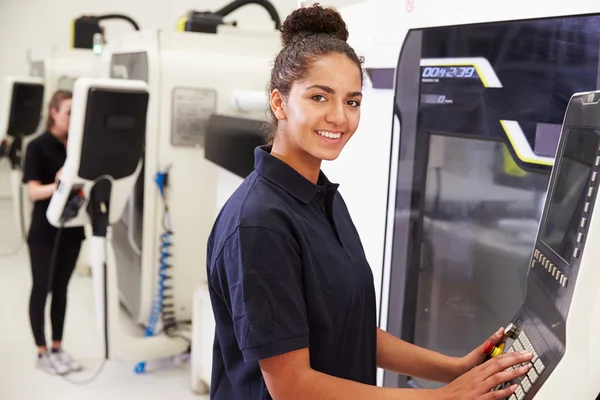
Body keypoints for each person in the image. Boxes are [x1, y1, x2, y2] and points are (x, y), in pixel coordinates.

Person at [206, 4, 532, 399]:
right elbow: (292, 387)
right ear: (279, 103)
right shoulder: (258, 224)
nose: (339, 117)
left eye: (352, 101)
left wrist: (456, 368)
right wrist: (442, 397)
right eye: (319, 97)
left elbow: (351, 330)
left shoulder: (320, 198)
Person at [22, 90, 85, 375]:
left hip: (72, 229)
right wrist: (59, 183)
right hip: (44, 232)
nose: (73, 118)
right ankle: (41, 351)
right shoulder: (37, 147)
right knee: (42, 288)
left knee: (61, 289)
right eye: (69, 112)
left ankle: (58, 347)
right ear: (54, 112)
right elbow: (33, 191)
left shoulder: (79, 147)